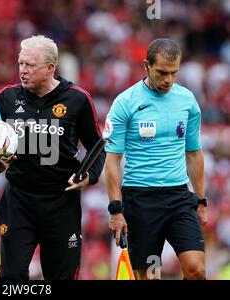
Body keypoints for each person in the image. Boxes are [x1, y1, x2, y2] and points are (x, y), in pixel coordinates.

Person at [0, 35, 105, 280]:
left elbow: (98, 145)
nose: (22, 70)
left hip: (61, 201)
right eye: (20, 63)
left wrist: (89, 176)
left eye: (30, 65)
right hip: (19, 199)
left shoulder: (77, 99)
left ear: (50, 67)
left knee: (61, 276)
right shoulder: (6, 98)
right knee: (11, 275)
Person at [104, 38, 207, 280]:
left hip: (179, 197)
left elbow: (193, 152)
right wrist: (116, 210)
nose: (168, 80)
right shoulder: (125, 103)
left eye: (174, 73)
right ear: (146, 65)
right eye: (162, 72)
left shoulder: (187, 101)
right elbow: (112, 160)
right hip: (140, 199)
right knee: (149, 275)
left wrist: (201, 200)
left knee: (196, 269)